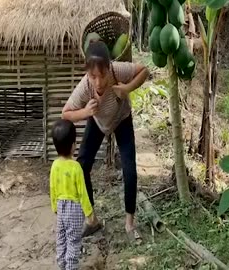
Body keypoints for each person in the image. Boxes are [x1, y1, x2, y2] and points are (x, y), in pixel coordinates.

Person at [62, 40, 149, 243]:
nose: (99, 82)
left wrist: (127, 88)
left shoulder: (119, 70)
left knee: (129, 169)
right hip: (99, 123)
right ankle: (92, 220)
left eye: (103, 75)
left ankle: (129, 223)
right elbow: (65, 114)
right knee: (82, 166)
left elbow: (144, 70)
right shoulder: (85, 87)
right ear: (87, 74)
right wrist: (85, 111)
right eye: (93, 76)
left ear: (110, 68)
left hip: (121, 119)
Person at [50, 119, 94, 270]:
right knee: (73, 242)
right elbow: (83, 193)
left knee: (61, 240)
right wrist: (89, 213)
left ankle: (62, 265)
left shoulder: (55, 165)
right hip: (75, 209)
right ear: (73, 145)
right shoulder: (76, 167)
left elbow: (53, 188)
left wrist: (54, 206)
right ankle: (71, 267)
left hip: (61, 208)